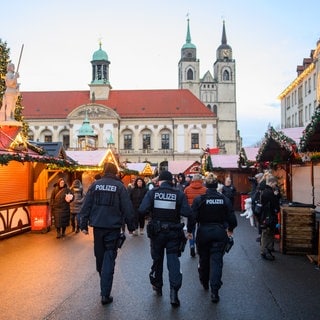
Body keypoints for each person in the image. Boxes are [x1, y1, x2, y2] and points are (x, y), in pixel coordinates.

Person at [79, 162, 135, 305]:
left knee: (99, 257)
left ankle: (103, 280)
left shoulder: (95, 185)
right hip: (113, 227)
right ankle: (105, 293)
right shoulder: (120, 187)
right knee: (109, 258)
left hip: (98, 227)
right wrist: (131, 226)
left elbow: (86, 205)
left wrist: (83, 224)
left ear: (103, 171)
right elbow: (127, 207)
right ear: (116, 172)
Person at [138, 170, 193, 307]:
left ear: (160, 181)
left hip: (157, 233)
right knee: (173, 261)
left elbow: (142, 209)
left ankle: (158, 286)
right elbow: (188, 213)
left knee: (157, 260)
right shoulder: (178, 194)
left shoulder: (152, 193)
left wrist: (150, 215)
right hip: (174, 233)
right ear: (171, 181)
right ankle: (174, 294)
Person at [190, 173, 237, 303]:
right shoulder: (224, 199)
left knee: (204, 260)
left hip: (203, 232)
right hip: (219, 232)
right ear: (217, 186)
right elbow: (232, 218)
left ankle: (204, 281)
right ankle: (215, 291)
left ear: (206, 185)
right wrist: (231, 229)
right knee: (217, 262)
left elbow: (192, 217)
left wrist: (189, 230)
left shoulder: (200, 200)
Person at [184, 174, 207, 257]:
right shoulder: (205, 190)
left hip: (191, 212)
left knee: (191, 230)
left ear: (192, 180)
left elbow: (184, 201)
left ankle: (191, 245)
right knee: (200, 230)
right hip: (202, 213)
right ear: (201, 180)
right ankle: (198, 247)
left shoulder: (187, 189)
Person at [259, 175, 280, 261]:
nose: (275, 185)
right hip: (269, 216)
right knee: (267, 234)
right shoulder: (270, 192)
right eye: (275, 183)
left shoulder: (264, 191)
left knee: (267, 233)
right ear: (271, 183)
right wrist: (276, 196)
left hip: (265, 216)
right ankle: (265, 251)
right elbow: (275, 205)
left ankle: (267, 250)